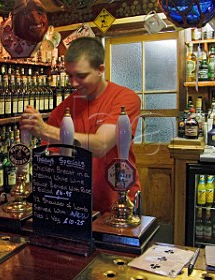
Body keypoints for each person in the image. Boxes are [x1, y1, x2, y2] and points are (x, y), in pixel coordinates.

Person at [19, 37, 141, 213]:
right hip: (77, 208)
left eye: (81, 76)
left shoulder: (124, 99)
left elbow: (101, 145)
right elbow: (54, 165)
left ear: (100, 70)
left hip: (119, 206)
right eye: (70, 76)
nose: (74, 83)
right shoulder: (63, 110)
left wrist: (45, 130)